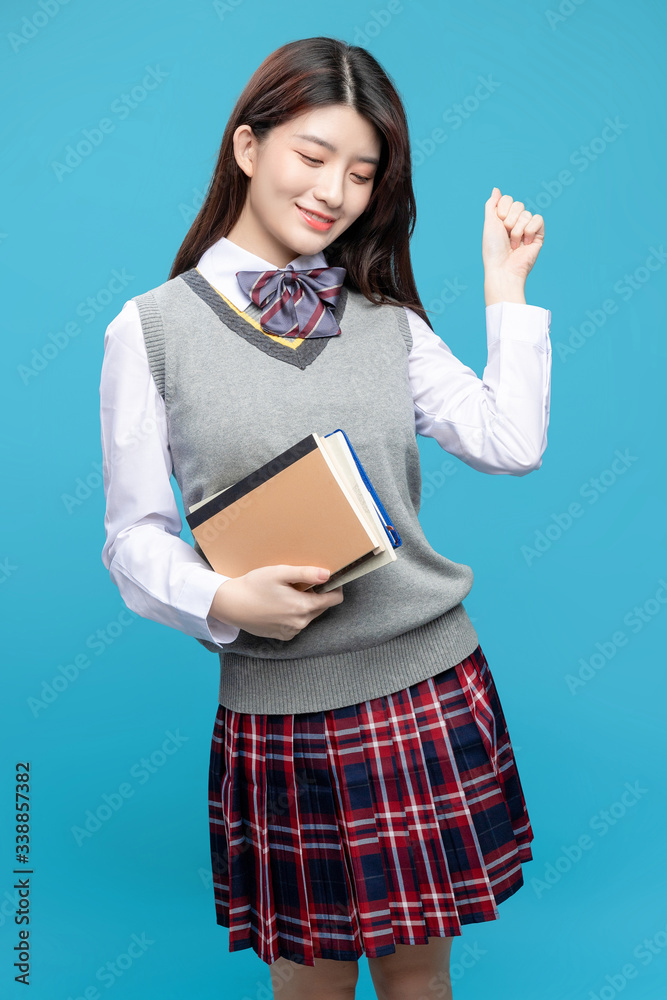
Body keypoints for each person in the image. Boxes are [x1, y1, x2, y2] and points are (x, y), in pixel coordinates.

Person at [99, 35, 551, 1000]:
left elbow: (509, 441)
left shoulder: (388, 320)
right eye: (312, 156)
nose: (333, 191)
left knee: (420, 978)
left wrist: (506, 291)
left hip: (423, 684)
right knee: (308, 985)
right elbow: (132, 537)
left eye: (360, 171)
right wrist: (225, 598)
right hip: (278, 712)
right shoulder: (148, 331)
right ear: (247, 147)